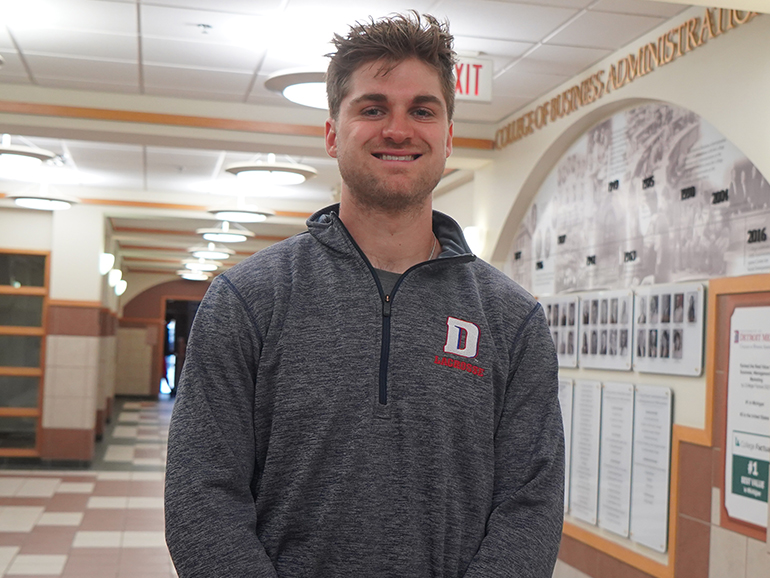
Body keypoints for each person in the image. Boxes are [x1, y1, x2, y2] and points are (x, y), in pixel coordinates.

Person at [164, 12, 564, 578]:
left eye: (422, 110)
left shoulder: (511, 320)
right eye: (373, 108)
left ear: (448, 136)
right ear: (332, 133)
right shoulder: (248, 299)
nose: (397, 129)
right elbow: (200, 495)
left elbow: (531, 508)